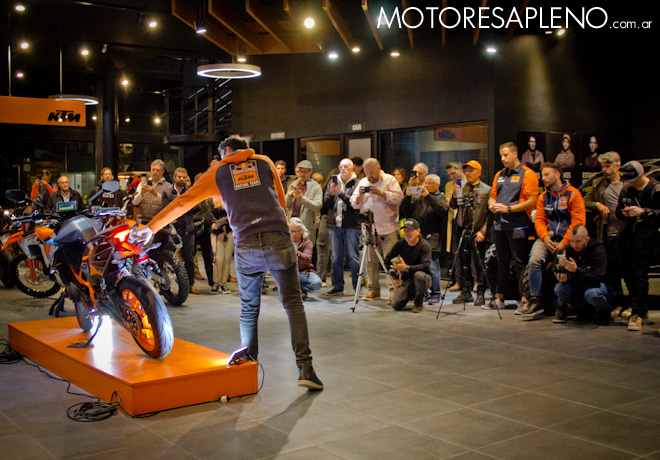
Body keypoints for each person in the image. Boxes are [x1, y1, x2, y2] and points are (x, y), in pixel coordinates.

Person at [134, 134, 323, 390]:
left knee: (249, 307)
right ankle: (306, 368)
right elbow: (279, 202)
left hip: (246, 243)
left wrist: (151, 227)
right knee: (293, 304)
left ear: (227, 152)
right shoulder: (265, 162)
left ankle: (249, 359)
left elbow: (182, 202)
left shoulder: (218, 171)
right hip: (278, 238)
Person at [523, 162, 586, 320]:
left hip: (568, 240)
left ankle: (561, 304)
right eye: (542, 175)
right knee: (534, 260)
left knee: (563, 266)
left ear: (557, 175)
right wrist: (545, 238)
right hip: (547, 239)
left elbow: (578, 222)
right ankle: (535, 299)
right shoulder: (543, 197)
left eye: (546, 175)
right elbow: (539, 220)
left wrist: (564, 242)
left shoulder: (573, 194)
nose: (543, 178)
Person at [488, 142, 539, 311]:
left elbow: (532, 201)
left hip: (519, 224)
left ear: (515, 154)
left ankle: (525, 299)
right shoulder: (499, 174)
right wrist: (491, 204)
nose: (503, 159)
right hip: (500, 225)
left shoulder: (528, 174)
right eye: (501, 156)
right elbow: (492, 196)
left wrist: (509, 208)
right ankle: (499, 297)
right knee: (501, 261)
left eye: (506, 155)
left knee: (519, 262)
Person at [615, 161, 660, 332]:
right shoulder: (626, 189)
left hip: (646, 237)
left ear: (641, 175)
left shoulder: (656, 189)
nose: (630, 183)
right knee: (627, 274)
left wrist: (644, 212)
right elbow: (618, 211)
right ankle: (639, 306)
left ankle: (638, 312)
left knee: (640, 274)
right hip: (628, 237)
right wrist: (624, 212)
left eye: (632, 180)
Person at [350, 158, 403, 300]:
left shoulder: (390, 180)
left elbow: (399, 198)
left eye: (372, 173)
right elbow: (354, 204)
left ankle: (394, 290)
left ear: (379, 168)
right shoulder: (363, 182)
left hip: (387, 227)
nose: (370, 176)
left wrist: (381, 193)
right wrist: (360, 194)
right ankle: (373, 289)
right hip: (369, 229)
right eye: (367, 173)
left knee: (392, 261)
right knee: (370, 261)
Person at [400, 173, 448, 304]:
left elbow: (443, 210)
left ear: (437, 185)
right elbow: (405, 211)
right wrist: (407, 196)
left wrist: (428, 196)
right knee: (418, 264)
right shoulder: (418, 197)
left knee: (432, 265)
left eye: (430, 183)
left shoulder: (440, 197)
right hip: (418, 235)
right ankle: (422, 292)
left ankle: (436, 292)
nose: (427, 186)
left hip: (433, 235)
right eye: (426, 183)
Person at [582, 152, 624, 298]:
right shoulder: (599, 184)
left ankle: (633, 302)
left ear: (617, 166)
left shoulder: (627, 182)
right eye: (602, 167)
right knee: (612, 269)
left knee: (629, 269)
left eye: (607, 166)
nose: (604, 170)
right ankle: (617, 299)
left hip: (626, 231)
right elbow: (584, 200)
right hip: (608, 231)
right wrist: (598, 204)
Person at [553, 225, 614, 325]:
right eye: (572, 241)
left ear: (587, 239)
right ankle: (584, 310)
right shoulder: (570, 249)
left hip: (600, 285)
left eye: (578, 241)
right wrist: (564, 276)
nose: (574, 245)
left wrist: (576, 270)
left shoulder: (598, 250)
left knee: (592, 294)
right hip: (582, 285)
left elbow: (596, 280)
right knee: (559, 289)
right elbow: (559, 268)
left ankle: (605, 310)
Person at [449, 161, 491, 307]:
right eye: (466, 171)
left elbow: (490, 214)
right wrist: (454, 195)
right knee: (463, 262)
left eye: (471, 171)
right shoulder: (462, 188)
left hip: (478, 230)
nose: (468, 173)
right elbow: (453, 206)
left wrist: (483, 231)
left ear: (479, 172)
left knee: (479, 263)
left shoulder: (486, 190)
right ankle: (465, 291)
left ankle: (480, 293)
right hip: (462, 228)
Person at [323, 159, 361, 296]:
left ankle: (357, 287)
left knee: (353, 257)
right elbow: (325, 204)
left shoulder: (358, 183)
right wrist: (332, 194)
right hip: (334, 225)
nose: (343, 169)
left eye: (346, 166)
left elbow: (355, 204)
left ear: (352, 168)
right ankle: (338, 286)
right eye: (341, 166)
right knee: (336, 258)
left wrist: (341, 194)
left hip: (351, 224)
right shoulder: (333, 182)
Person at [162, 167, 199, 295]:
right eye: (179, 177)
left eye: (184, 177)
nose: (181, 179)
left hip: (187, 229)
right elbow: (166, 209)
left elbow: (194, 207)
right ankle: (163, 284)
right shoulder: (167, 192)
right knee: (167, 257)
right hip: (172, 229)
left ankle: (190, 284)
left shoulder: (190, 192)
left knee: (189, 258)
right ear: (174, 178)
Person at [384, 218, 432, 313]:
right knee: (396, 304)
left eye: (410, 231)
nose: (407, 234)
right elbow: (387, 260)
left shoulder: (425, 245)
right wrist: (395, 277)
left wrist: (407, 268)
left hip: (423, 277)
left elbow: (426, 266)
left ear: (418, 231)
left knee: (419, 276)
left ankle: (419, 302)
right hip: (407, 279)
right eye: (405, 231)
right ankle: (412, 294)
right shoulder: (401, 244)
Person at [285, 160, 323, 246]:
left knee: (305, 250)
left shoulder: (316, 187)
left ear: (311, 171)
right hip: (292, 224)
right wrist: (289, 196)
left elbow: (318, 206)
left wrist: (302, 198)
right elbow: (284, 205)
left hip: (306, 225)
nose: (302, 174)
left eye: (305, 171)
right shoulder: (293, 184)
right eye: (300, 171)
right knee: (292, 251)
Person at [445, 161, 467, 292]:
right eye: (449, 174)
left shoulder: (468, 183)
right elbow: (448, 203)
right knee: (456, 252)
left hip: (466, 220)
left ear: (460, 169)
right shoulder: (449, 185)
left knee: (469, 253)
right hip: (453, 221)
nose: (452, 176)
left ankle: (474, 282)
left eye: (453, 173)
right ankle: (458, 281)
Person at [290, 218, 323, 299]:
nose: (294, 234)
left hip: (304, 272)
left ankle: (299, 289)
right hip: (289, 272)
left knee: (317, 283)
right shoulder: (286, 243)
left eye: (296, 231)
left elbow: (307, 259)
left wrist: (294, 251)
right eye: (291, 231)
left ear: (301, 231)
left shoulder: (307, 243)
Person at [209, 198, 233, 295]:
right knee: (218, 258)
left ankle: (223, 283)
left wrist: (219, 223)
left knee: (227, 259)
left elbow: (233, 214)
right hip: (216, 233)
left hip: (230, 231)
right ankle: (216, 283)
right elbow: (210, 217)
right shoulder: (211, 200)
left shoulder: (230, 197)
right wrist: (219, 232)